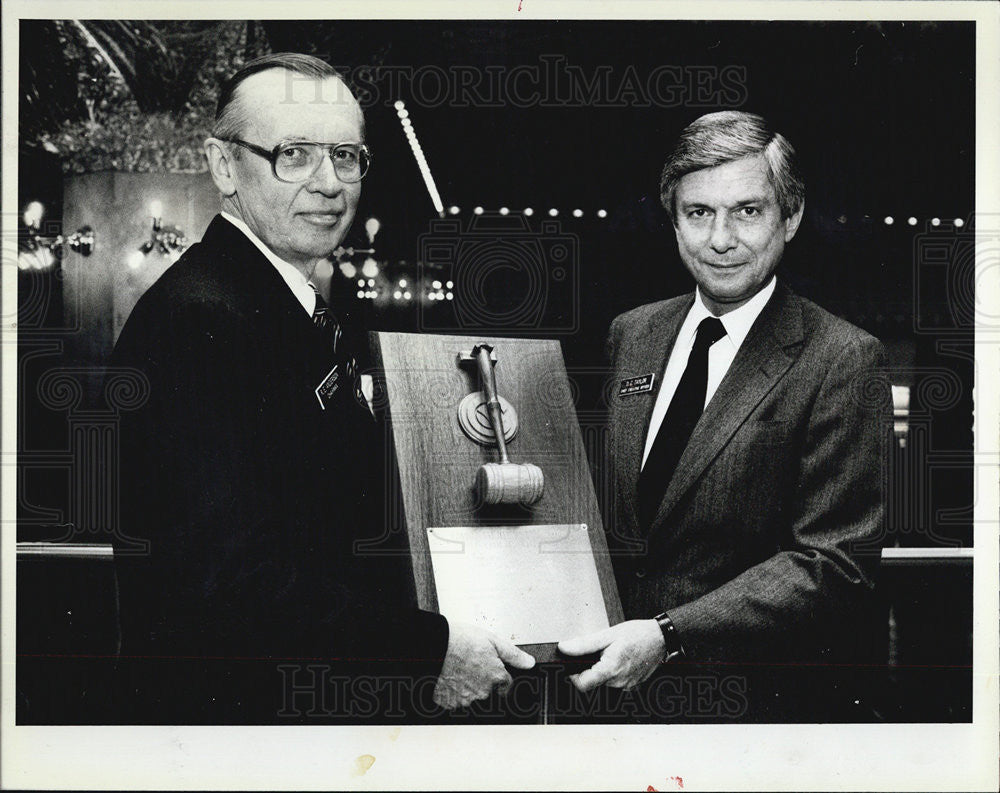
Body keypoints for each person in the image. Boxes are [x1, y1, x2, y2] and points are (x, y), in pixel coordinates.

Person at [111, 53, 533, 723]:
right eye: (295, 154)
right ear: (223, 166)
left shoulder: (278, 303)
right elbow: (228, 585)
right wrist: (429, 651)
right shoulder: (200, 319)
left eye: (345, 155)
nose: (328, 183)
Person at [558, 111, 891, 721]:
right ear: (673, 220)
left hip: (748, 708)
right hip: (608, 695)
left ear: (789, 218)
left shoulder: (842, 358)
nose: (720, 239)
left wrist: (669, 633)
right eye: (698, 213)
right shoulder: (631, 334)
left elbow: (835, 562)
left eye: (747, 211)